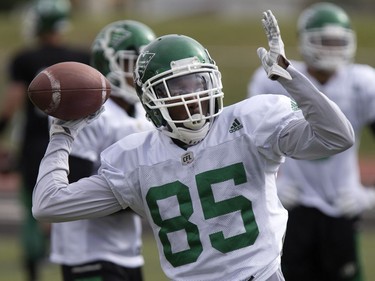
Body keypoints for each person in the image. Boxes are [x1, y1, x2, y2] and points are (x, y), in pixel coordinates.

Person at [32, 10, 354, 281]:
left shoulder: (248, 124)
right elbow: (47, 205)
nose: (192, 98)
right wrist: (62, 134)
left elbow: (338, 136)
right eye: (176, 88)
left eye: (198, 83)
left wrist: (289, 77)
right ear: (152, 100)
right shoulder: (134, 159)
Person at [247, 3, 375, 281]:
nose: (330, 49)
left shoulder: (363, 83)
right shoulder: (271, 78)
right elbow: (249, 146)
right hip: (291, 206)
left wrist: (368, 196)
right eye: (323, 41)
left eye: (337, 41)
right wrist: (270, 189)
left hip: (341, 206)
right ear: (305, 41)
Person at [50, 20, 156, 281]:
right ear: (108, 63)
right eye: (132, 64)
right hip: (87, 252)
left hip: (127, 248)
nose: (138, 74)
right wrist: (149, 198)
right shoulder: (93, 113)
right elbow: (74, 188)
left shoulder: (144, 112)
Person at [0, 0, 90, 280]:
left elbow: (12, 102)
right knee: (75, 206)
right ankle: (74, 260)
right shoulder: (81, 57)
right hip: (75, 143)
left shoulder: (25, 59)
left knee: (33, 210)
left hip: (36, 145)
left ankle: (34, 268)